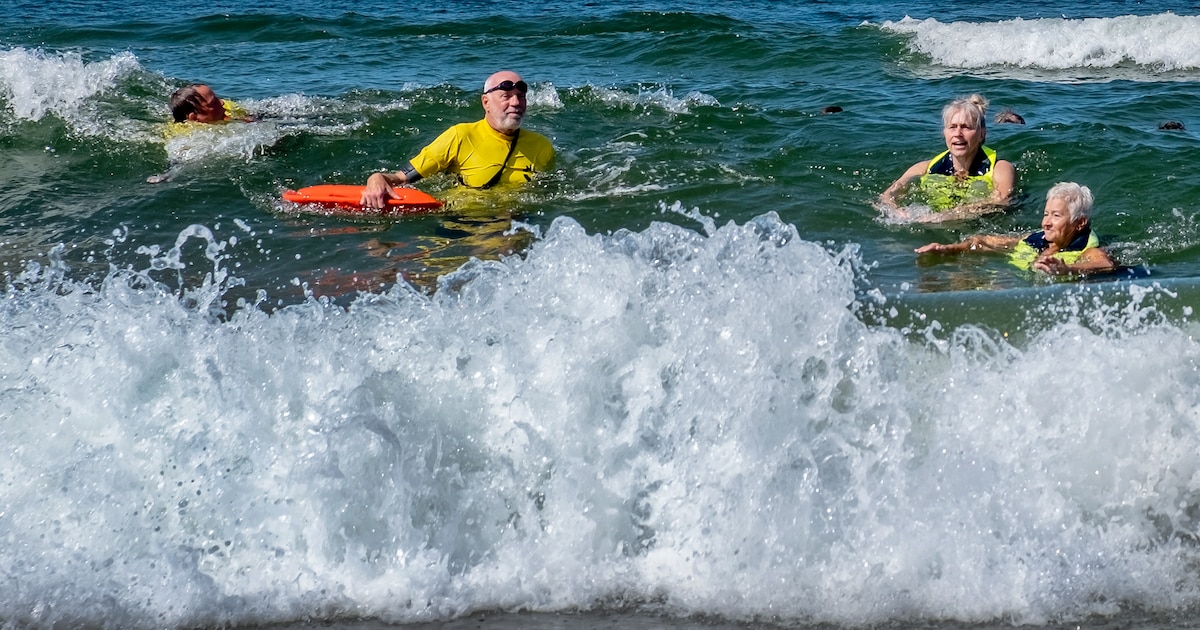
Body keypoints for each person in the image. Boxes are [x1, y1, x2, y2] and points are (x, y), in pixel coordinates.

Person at [359, 70, 555, 208]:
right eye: (506, 96)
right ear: (486, 102)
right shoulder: (460, 136)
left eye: (521, 97)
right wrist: (376, 178)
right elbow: (401, 178)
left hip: (516, 224)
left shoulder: (541, 146)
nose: (516, 103)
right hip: (462, 224)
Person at [915, 182, 1115, 276]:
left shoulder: (1088, 250)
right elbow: (982, 242)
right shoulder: (1037, 238)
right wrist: (948, 249)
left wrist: (1067, 269)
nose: (1046, 222)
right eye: (1046, 214)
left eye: (1056, 216)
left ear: (1079, 223)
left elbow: (1104, 264)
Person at [880, 94, 1016, 219]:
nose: (958, 133)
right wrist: (896, 211)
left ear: (982, 134)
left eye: (966, 127)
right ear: (944, 133)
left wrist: (945, 216)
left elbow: (1002, 202)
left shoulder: (1001, 168)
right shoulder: (924, 168)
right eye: (952, 127)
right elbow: (886, 196)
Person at [168, 84, 254, 126]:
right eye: (214, 103)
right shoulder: (185, 136)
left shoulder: (228, 107)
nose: (222, 102)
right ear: (194, 118)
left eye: (217, 98)